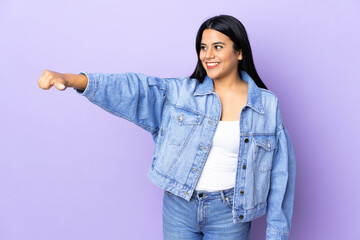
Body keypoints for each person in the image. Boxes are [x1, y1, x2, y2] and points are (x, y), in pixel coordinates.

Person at [38, 15, 295, 240]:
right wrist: (71, 80)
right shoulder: (180, 93)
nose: (208, 55)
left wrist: (276, 234)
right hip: (179, 206)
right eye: (203, 47)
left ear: (239, 52)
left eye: (218, 47)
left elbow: (281, 174)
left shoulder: (266, 105)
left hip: (230, 213)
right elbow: (134, 89)